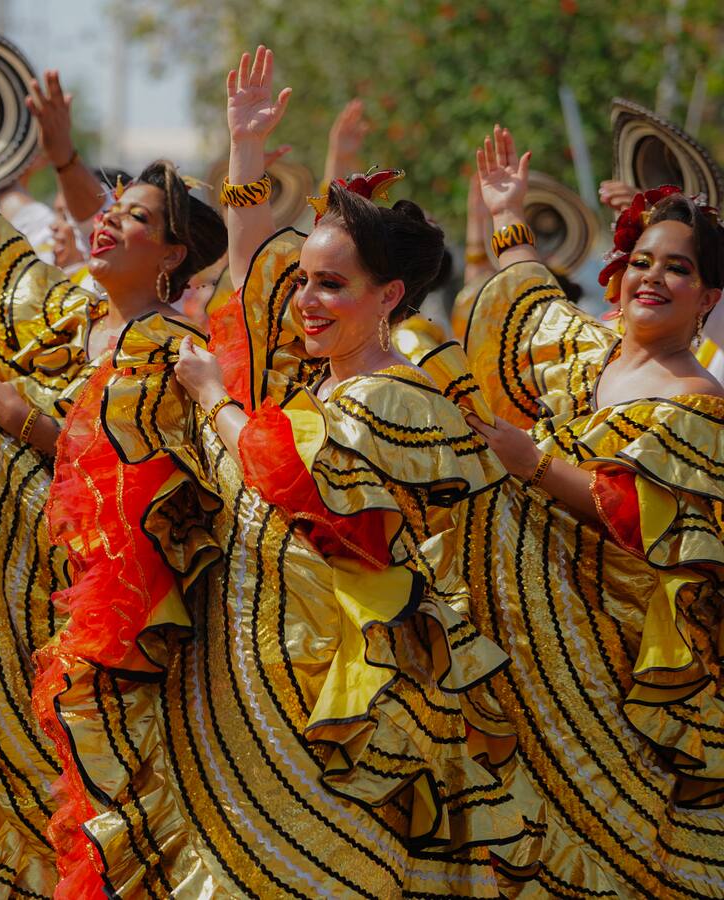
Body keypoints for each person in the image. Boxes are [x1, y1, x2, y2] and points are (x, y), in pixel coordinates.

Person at [39, 45, 526, 898]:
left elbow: (293, 484)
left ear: (389, 297)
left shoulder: (394, 393)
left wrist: (219, 402)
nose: (304, 300)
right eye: (303, 283)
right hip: (260, 670)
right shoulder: (313, 378)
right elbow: (249, 267)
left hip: (347, 681)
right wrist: (245, 147)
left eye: (330, 286)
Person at [0, 57, 226, 897]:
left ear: (173, 255)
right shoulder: (69, 314)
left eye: (134, 219)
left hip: (90, 633)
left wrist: (23, 422)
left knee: (86, 808)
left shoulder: (169, 354)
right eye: (111, 210)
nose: (106, 225)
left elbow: (140, 488)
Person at [462, 126, 724, 896]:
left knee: (613, 843)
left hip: (616, 662)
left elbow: (645, 521)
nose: (652, 277)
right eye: (643, 261)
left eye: (677, 269)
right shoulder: (593, 355)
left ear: (708, 297)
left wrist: (535, 464)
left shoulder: (699, 402)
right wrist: (508, 216)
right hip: (528, 633)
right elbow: (534, 309)